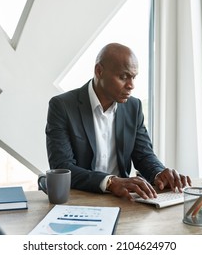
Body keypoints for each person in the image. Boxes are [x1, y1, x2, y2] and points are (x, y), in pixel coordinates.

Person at [45, 43, 191, 201]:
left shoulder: (133, 107)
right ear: (99, 71)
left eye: (133, 77)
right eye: (123, 77)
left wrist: (159, 174)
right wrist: (109, 182)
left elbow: (144, 155)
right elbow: (62, 167)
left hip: (124, 200)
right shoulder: (62, 106)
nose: (131, 85)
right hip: (80, 199)